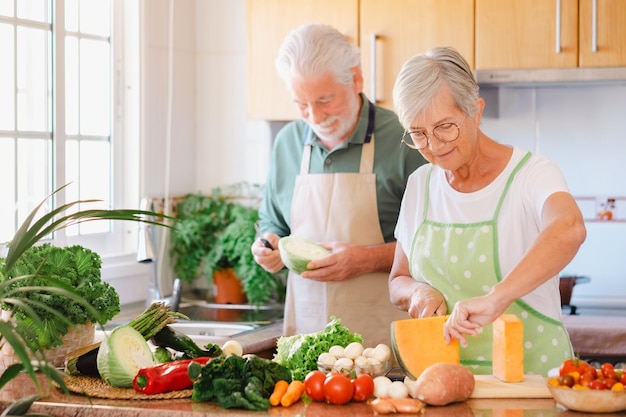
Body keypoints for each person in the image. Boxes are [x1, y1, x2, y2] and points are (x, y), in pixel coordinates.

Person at [389, 46, 586, 375]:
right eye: (419, 134)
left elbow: (570, 228)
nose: (435, 146)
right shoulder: (419, 185)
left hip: (533, 384)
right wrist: (416, 292)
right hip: (445, 382)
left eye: (445, 126)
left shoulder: (531, 174)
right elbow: (398, 278)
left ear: (475, 112)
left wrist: (498, 297)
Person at [251, 23, 427, 347]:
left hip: (385, 344)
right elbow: (272, 221)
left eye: (324, 100)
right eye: (301, 104)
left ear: (356, 79)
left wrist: (366, 259)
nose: (314, 116)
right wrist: (268, 244)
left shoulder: (406, 138)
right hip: (305, 340)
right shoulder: (287, 143)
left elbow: (435, 241)